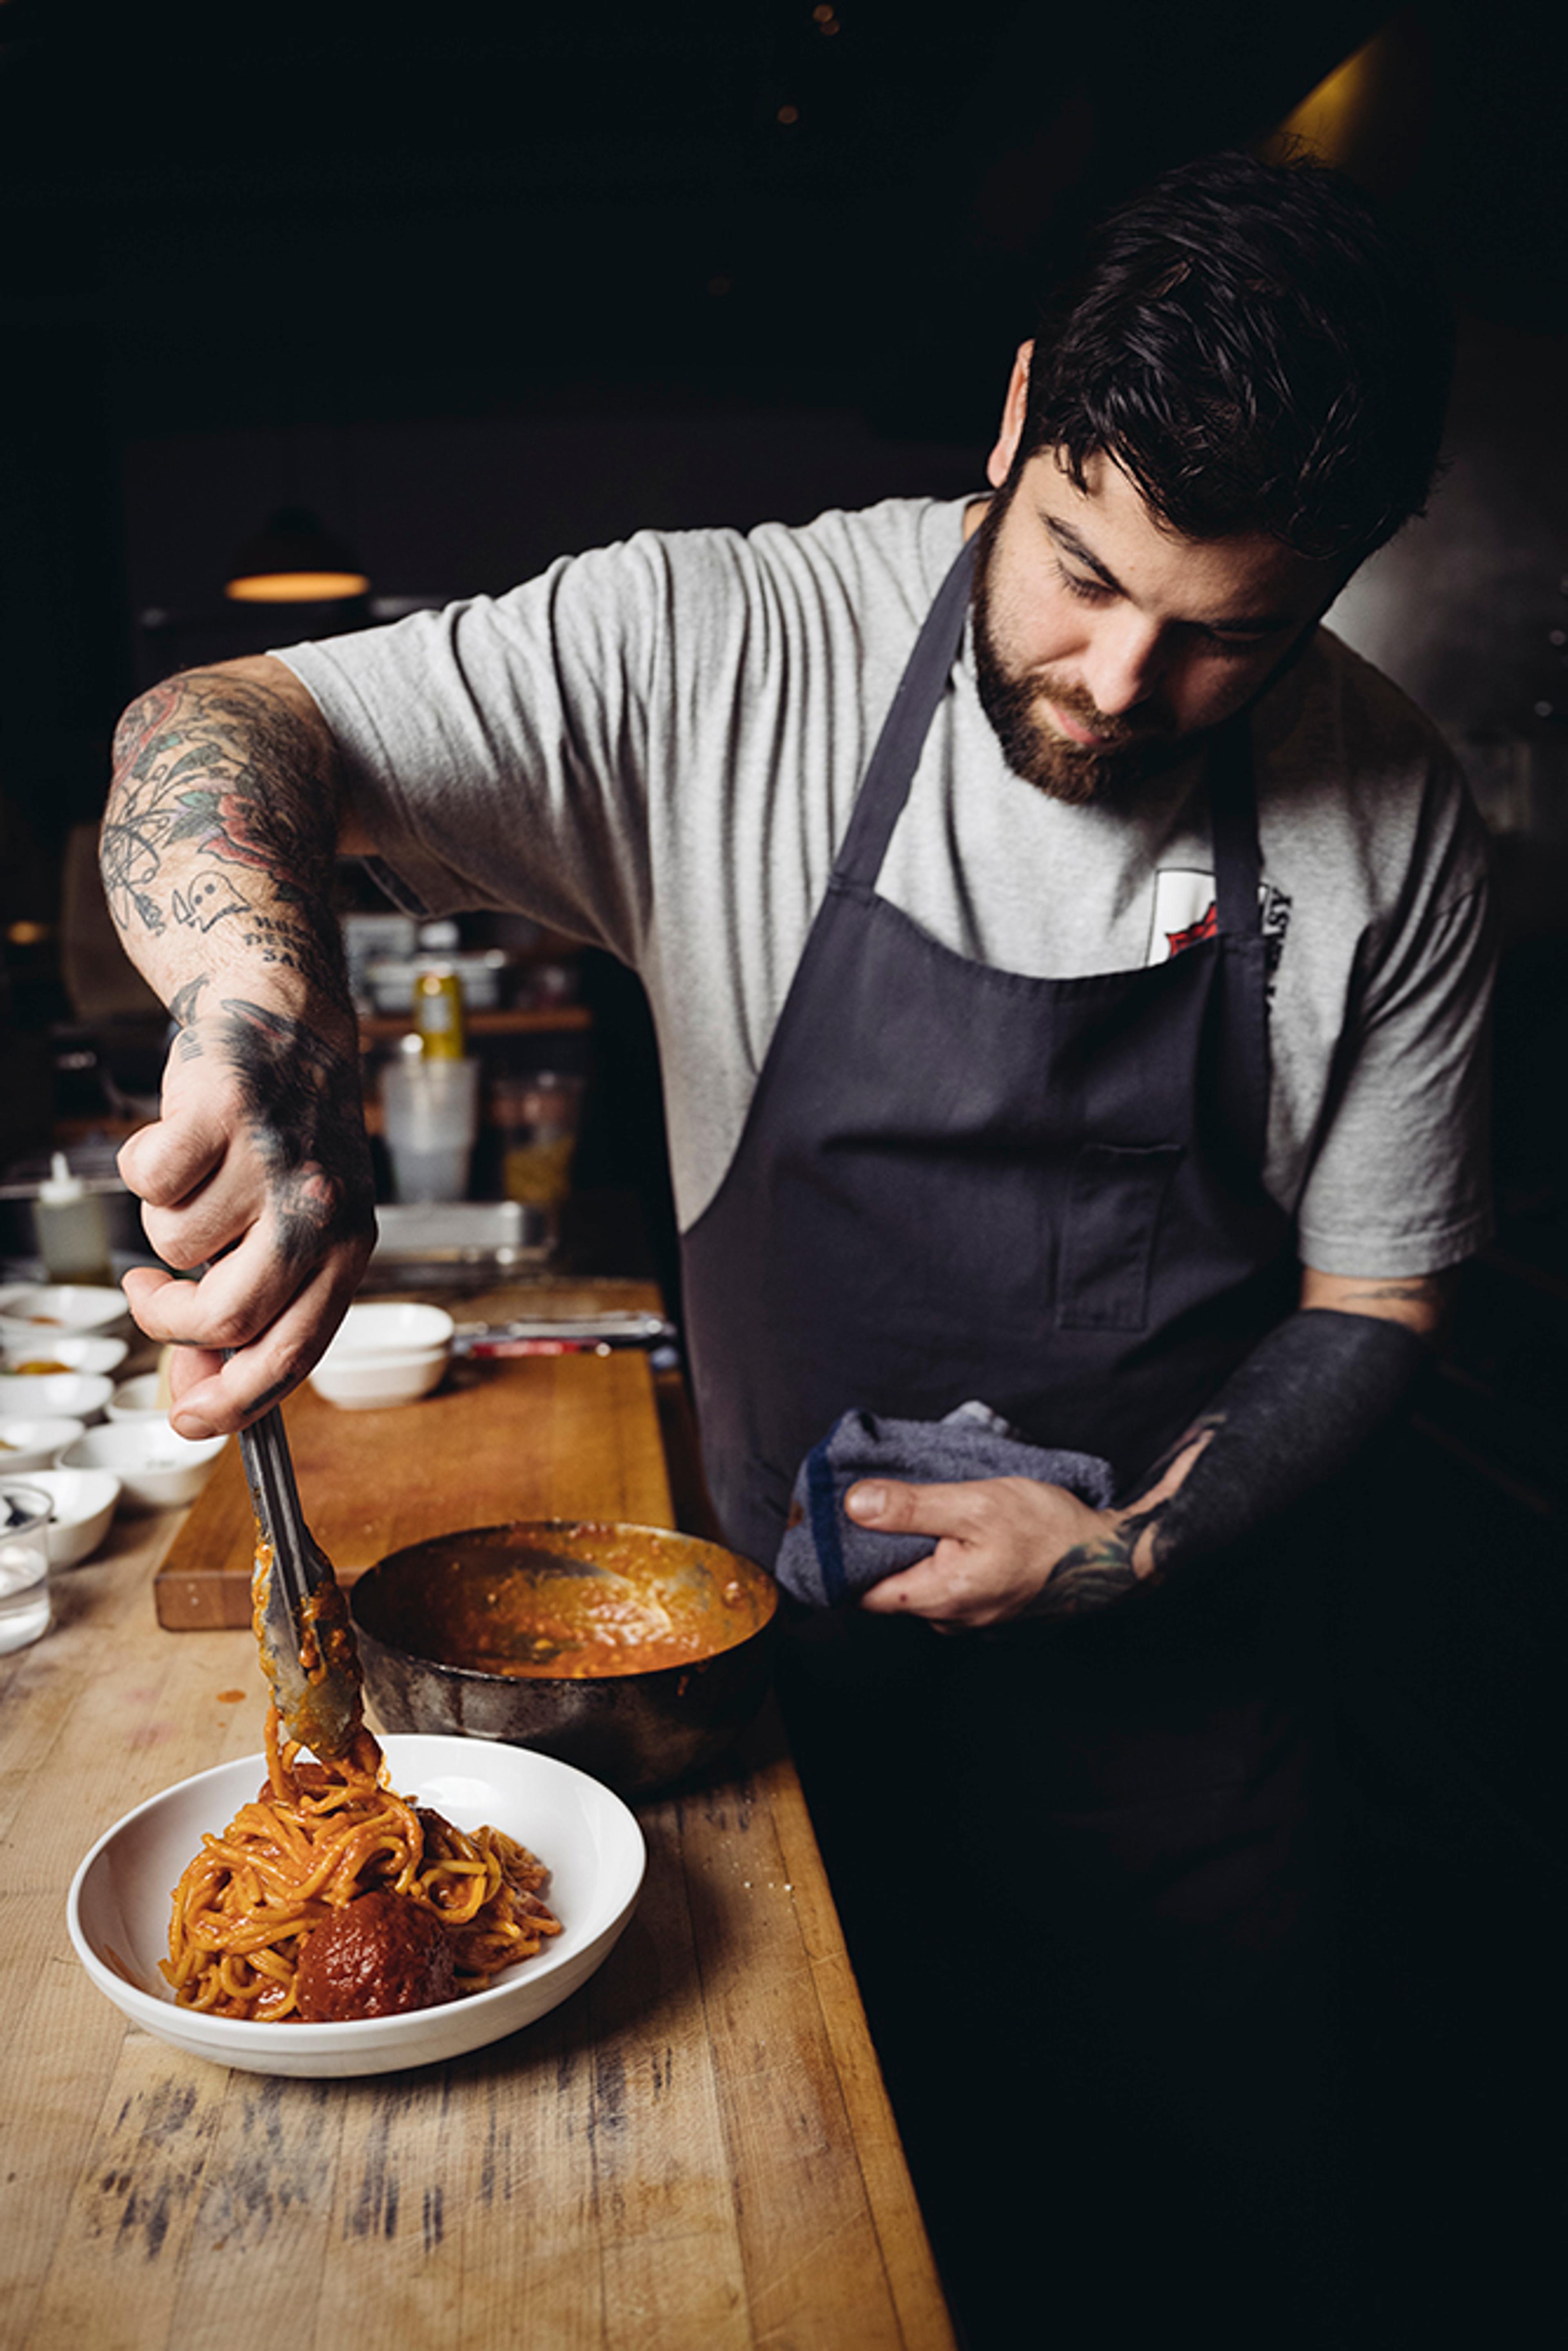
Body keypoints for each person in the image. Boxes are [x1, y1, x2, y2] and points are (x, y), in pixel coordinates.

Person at [102, 152, 1491, 2341]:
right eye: (1082, 573)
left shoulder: (1392, 813)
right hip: (755, 1759)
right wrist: (252, 1018)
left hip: (1183, 1784)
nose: (1128, 678)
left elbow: (1383, 1298)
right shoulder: (726, 653)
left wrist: (1120, 1542)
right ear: (1021, 414)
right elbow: (221, 732)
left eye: (1234, 629)